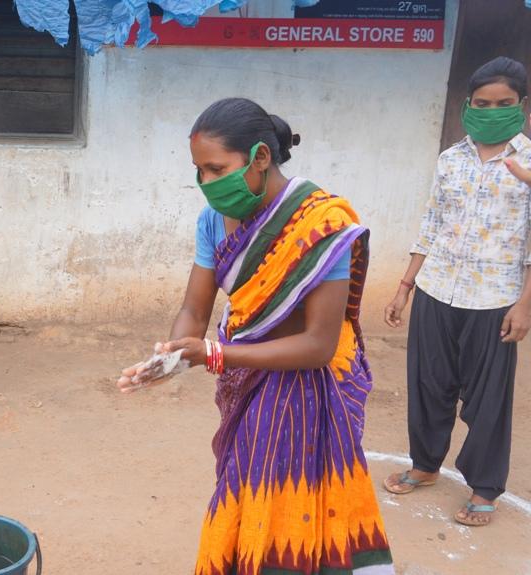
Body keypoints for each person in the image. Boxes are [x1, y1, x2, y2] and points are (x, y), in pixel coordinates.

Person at [118, 98, 393, 574]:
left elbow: (318, 346)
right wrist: (170, 356)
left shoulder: (323, 226)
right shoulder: (211, 222)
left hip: (310, 387)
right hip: (246, 376)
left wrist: (215, 354)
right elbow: (194, 307)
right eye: (199, 171)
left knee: (292, 500)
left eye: (216, 168)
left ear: (261, 157)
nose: (206, 184)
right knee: (245, 492)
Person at [383, 56, 531, 527]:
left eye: (503, 104)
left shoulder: (530, 164)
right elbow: (432, 225)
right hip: (436, 289)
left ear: (521, 106)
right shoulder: (450, 160)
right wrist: (405, 287)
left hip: (495, 299)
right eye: (482, 103)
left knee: (488, 399)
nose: (491, 111)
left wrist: (525, 304)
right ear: (468, 105)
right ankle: (425, 465)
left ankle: (484, 486)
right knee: (429, 385)